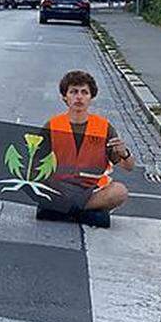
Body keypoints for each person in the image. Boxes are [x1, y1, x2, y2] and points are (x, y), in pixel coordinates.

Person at [35, 71, 135, 228]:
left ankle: (64, 211)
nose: (79, 97)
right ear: (65, 97)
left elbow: (129, 166)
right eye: (74, 92)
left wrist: (125, 153)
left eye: (84, 92)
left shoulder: (103, 127)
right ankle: (83, 214)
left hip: (90, 191)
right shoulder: (52, 125)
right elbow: (35, 163)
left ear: (91, 98)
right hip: (58, 188)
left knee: (119, 191)